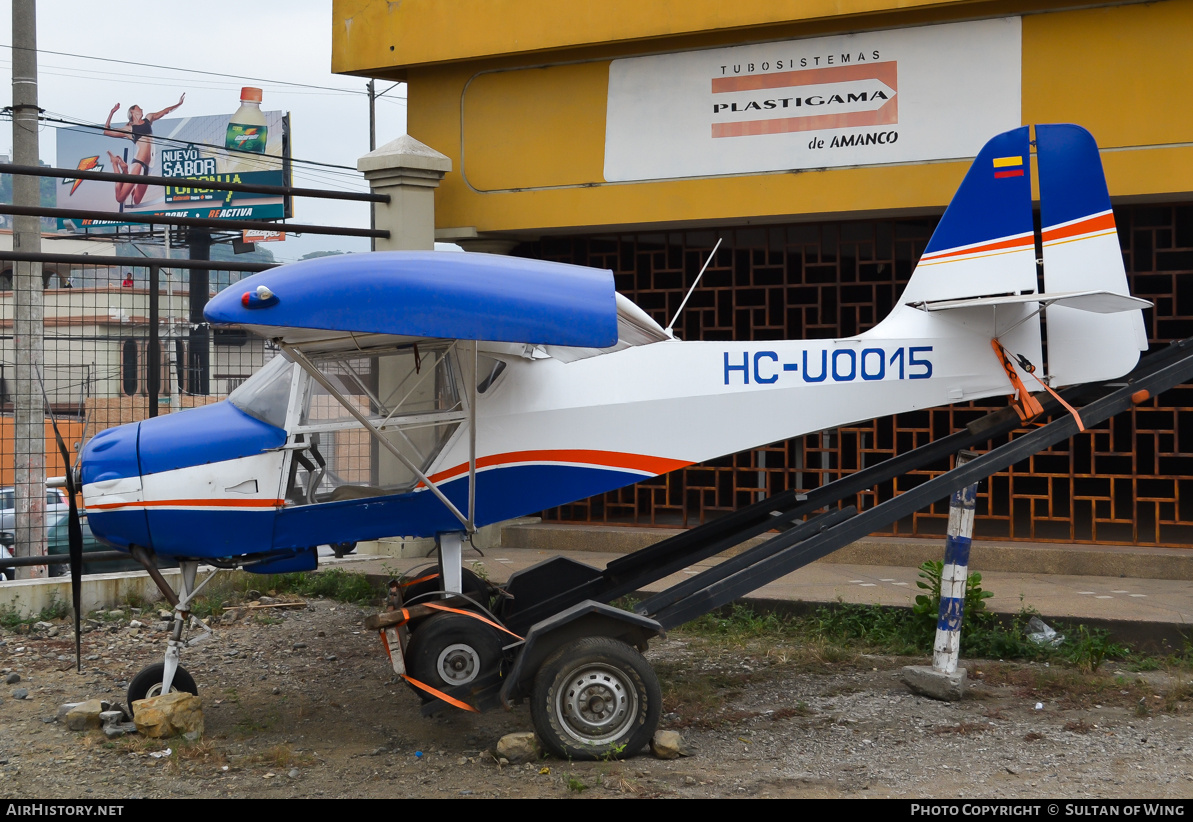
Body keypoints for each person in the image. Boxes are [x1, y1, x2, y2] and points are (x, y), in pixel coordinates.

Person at [103, 94, 185, 206]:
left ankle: (125, 171)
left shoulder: (148, 118)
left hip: (149, 167)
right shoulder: (129, 129)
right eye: (138, 107)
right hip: (139, 164)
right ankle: (115, 164)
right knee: (120, 198)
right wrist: (112, 112)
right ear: (132, 111)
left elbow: (165, 111)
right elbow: (106, 131)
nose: (141, 109)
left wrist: (178, 104)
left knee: (136, 200)